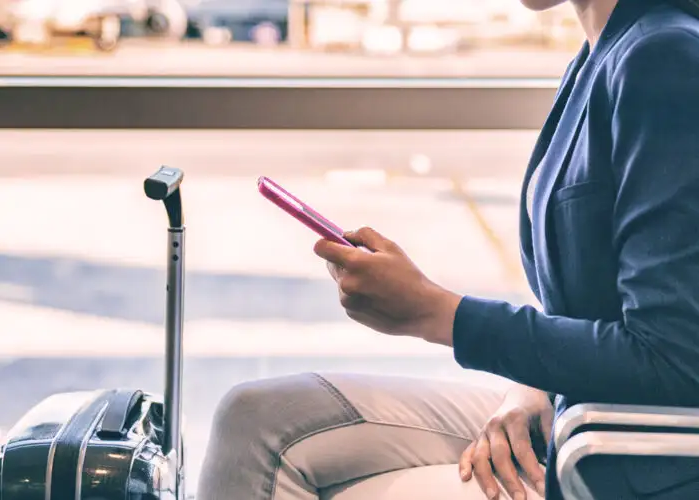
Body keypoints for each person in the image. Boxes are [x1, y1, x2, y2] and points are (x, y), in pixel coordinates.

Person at [197, 0, 699, 498]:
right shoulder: (599, 54)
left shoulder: (662, 56)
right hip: (580, 418)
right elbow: (596, 309)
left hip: (625, 460)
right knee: (255, 420)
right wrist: (530, 387)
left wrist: (438, 314)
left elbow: (673, 358)